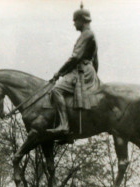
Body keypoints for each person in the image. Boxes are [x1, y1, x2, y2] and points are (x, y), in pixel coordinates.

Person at [47, 3, 99, 134]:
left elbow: (75, 58)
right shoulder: (89, 35)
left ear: (82, 20)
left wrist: (59, 73)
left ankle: (64, 125)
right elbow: (96, 60)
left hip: (82, 71)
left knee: (56, 90)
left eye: (75, 21)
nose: (74, 24)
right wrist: (95, 76)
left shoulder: (86, 35)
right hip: (88, 71)